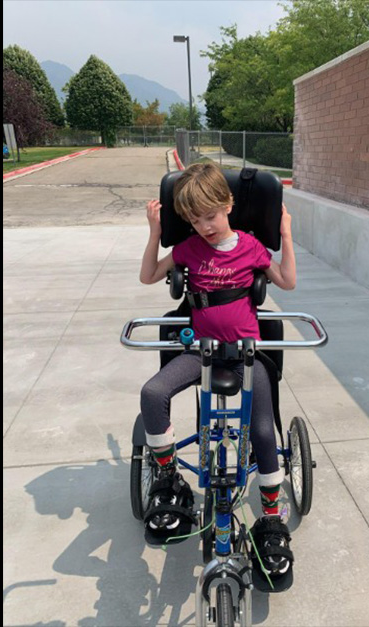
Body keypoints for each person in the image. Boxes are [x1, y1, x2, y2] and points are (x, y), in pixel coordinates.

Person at [138, 162, 297, 591]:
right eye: (193, 218)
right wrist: (156, 232)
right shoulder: (189, 249)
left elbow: (287, 281)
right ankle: (170, 477)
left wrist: (284, 235)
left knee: (263, 432)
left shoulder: (249, 247)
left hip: (246, 356)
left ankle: (269, 517)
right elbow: (148, 275)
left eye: (208, 215)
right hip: (201, 352)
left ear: (227, 205)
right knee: (153, 394)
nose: (202, 225)